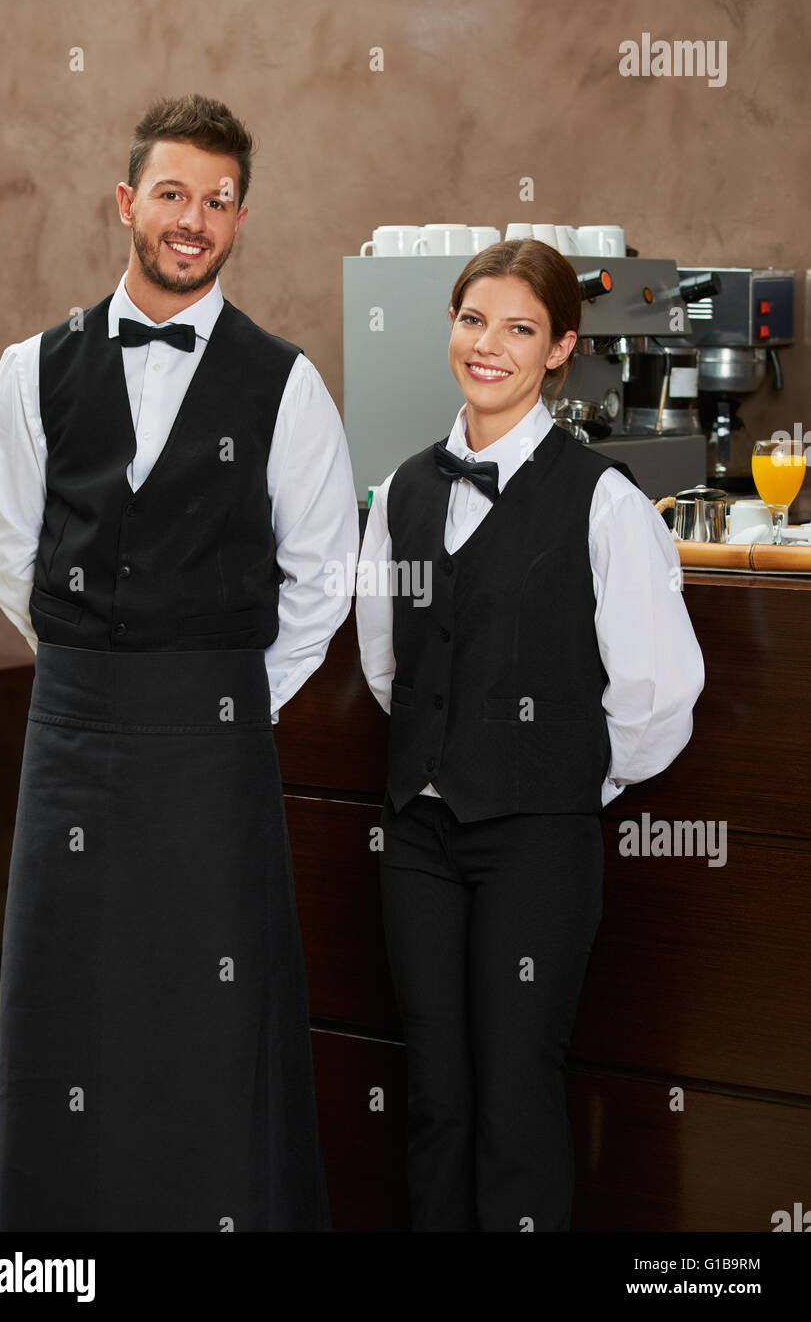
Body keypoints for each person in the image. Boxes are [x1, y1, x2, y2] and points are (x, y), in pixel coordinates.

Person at [0, 92, 359, 1231]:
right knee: (67, 1001)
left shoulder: (286, 384)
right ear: (127, 201)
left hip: (215, 746)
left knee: (209, 1008)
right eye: (174, 193)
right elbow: (16, 554)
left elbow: (323, 577)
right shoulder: (27, 371)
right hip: (75, 731)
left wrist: (224, 700)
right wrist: (101, 667)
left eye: (220, 200)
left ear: (242, 220)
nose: (194, 218)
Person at [355, 239, 705, 1232]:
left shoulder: (603, 502)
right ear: (450, 329)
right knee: (435, 1096)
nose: (489, 345)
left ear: (559, 349)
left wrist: (559, 783)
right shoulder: (402, 491)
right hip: (418, 841)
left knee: (516, 1096)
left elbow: (657, 693)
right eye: (473, 320)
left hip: (539, 846)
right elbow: (389, 665)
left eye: (519, 328)